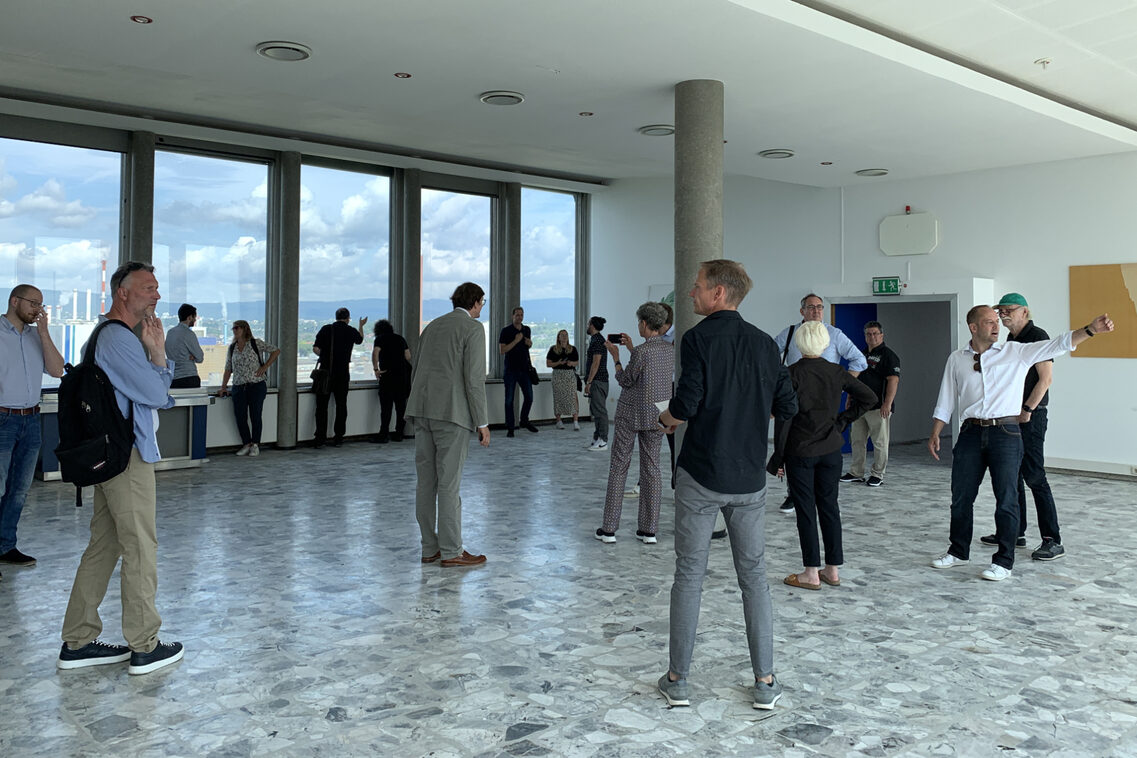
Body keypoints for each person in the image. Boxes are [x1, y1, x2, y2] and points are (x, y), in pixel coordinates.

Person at [658, 259, 798, 710]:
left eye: (697, 288)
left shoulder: (697, 339)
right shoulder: (764, 343)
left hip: (701, 475)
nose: (691, 294)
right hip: (748, 479)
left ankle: (678, 679)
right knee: (754, 578)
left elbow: (689, 400)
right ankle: (765, 681)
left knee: (689, 577)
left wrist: (668, 417)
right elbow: (787, 402)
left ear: (719, 293)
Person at [57, 261, 184, 675]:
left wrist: (152, 357)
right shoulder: (118, 339)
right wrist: (159, 355)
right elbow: (154, 393)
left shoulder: (104, 337)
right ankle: (145, 645)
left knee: (105, 545)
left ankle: (77, 640)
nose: (157, 295)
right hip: (126, 459)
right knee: (140, 547)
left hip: (111, 455)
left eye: (157, 287)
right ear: (123, 293)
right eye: (148, 288)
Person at [927, 305, 1114, 582]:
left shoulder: (1015, 352)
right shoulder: (957, 359)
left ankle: (1003, 561)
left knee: (1007, 498)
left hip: (1006, 433)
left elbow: (1058, 344)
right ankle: (958, 551)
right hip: (970, 433)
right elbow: (947, 397)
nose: (996, 326)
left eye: (997, 322)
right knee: (961, 497)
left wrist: (1090, 330)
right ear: (973, 327)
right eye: (989, 322)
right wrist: (935, 431)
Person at [778, 321, 876, 590]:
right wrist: (843, 421)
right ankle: (832, 570)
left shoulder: (790, 374)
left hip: (800, 450)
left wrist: (778, 457)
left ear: (799, 344)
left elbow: (784, 418)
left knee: (806, 511)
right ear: (824, 343)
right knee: (830, 507)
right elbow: (869, 398)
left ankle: (810, 572)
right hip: (831, 449)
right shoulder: (837, 371)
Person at [407, 282, 491, 568]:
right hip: (452, 414)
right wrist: (482, 422)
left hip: (422, 410)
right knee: (449, 484)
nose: (482, 307)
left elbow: (416, 368)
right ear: (476, 302)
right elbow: (474, 379)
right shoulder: (472, 329)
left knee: (425, 483)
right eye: (482, 302)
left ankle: (429, 548)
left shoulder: (432, 326)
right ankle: (452, 550)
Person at [979, 293, 1065, 561]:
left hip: (1031, 416)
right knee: (1012, 475)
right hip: (1011, 418)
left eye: (1009, 310)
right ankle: (1015, 532)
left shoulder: (1037, 335)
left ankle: (1052, 540)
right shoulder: (1011, 340)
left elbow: (1045, 379)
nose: (1003, 314)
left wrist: (1027, 409)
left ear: (1024, 312)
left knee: (1034, 476)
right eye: (1000, 310)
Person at [773, 293, 867, 512]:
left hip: (824, 401)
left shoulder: (834, 334)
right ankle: (794, 493)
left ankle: (822, 493)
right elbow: (768, 355)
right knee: (793, 442)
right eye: (811, 307)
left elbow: (859, 360)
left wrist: (842, 384)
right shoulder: (789, 334)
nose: (816, 311)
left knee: (825, 444)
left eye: (819, 307)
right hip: (795, 399)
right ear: (802, 311)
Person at [595, 302, 674, 545]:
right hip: (657, 416)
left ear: (644, 323)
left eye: (639, 321)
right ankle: (648, 530)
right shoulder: (669, 350)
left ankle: (609, 529)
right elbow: (646, 370)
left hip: (630, 415)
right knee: (652, 470)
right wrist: (631, 348)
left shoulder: (641, 352)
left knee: (619, 467)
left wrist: (617, 358)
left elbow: (626, 379)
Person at [1, 285, 64, 579]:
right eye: (33, 303)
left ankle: (6, 546)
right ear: (15, 302)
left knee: (18, 490)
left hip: (31, 420)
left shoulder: (36, 336)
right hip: (2, 419)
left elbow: (57, 370)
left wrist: (43, 332)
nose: (38, 309)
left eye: (41, 304)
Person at [840, 320, 900, 487]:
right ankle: (856, 472)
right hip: (859, 407)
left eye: (875, 333)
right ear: (865, 336)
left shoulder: (889, 356)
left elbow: (893, 380)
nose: (872, 336)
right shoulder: (862, 354)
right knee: (857, 441)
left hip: (878, 408)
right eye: (868, 334)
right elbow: (855, 379)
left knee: (879, 443)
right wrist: (849, 398)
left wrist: (887, 404)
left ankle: (877, 474)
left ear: (882, 335)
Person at [217, 320, 280, 457]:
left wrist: (265, 367)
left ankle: (255, 444)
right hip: (239, 386)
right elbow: (228, 368)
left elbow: (275, 350)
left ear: (244, 329)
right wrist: (223, 386)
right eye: (233, 328)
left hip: (256, 385)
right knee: (240, 416)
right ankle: (246, 443)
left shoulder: (255, 343)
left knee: (255, 415)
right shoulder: (232, 347)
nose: (234, 330)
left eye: (237, 328)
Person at [313, 307, 366, 447]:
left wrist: (325, 356)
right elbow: (360, 340)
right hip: (342, 373)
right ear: (348, 318)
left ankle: (320, 438)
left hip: (326, 372)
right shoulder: (351, 331)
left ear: (336, 317)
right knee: (341, 405)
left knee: (321, 407)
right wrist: (361, 325)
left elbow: (316, 348)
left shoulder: (326, 329)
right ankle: (338, 437)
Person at [371, 319, 412, 443]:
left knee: (386, 407)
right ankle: (399, 434)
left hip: (387, 375)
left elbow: (375, 353)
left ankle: (383, 434)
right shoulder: (400, 339)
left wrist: (376, 369)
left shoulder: (379, 339)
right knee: (401, 407)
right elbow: (408, 356)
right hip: (401, 376)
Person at [499, 306, 537, 437]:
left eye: (521, 315)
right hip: (510, 370)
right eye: (517, 315)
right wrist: (516, 341)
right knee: (509, 400)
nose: (519, 317)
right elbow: (502, 350)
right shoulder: (506, 331)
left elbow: (528, 346)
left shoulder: (526, 329)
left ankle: (524, 420)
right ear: (512, 316)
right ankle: (510, 427)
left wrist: (529, 343)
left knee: (529, 397)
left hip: (525, 370)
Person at [583, 316, 610, 450]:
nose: (587, 326)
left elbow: (596, 362)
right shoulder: (596, 339)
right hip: (597, 381)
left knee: (599, 411)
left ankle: (603, 440)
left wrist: (589, 382)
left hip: (598, 381)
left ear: (592, 325)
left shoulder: (598, 340)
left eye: (588, 323)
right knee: (596, 410)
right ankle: (597, 438)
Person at [545, 329, 580, 430]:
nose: (564, 337)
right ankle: (558, 420)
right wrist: (558, 363)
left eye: (566, 335)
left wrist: (571, 363)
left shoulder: (573, 349)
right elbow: (548, 364)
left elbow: (577, 362)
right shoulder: (553, 349)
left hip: (569, 374)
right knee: (558, 397)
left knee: (573, 397)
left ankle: (575, 421)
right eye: (562, 335)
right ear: (558, 337)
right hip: (558, 375)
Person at [165, 303, 204, 389]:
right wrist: (193, 356)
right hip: (189, 378)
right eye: (194, 317)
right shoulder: (189, 334)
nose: (195, 320)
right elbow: (200, 358)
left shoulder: (170, 333)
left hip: (173, 379)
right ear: (189, 317)